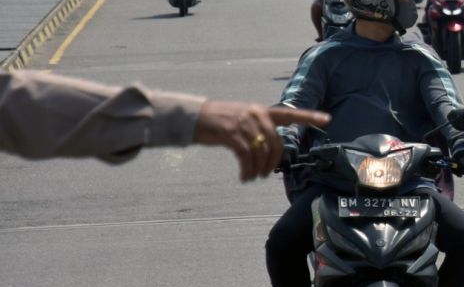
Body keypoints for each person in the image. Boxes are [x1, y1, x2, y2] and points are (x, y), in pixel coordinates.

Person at [268, 0, 464, 287]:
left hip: (408, 179)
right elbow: (295, 104)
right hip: (334, 180)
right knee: (281, 242)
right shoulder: (324, 56)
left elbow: (446, 102)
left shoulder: (420, 56)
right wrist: (285, 139)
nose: (414, 3)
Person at [0, 70, 328, 181]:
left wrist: (190, 117)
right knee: (284, 242)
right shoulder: (326, 55)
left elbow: (19, 104)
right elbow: (22, 106)